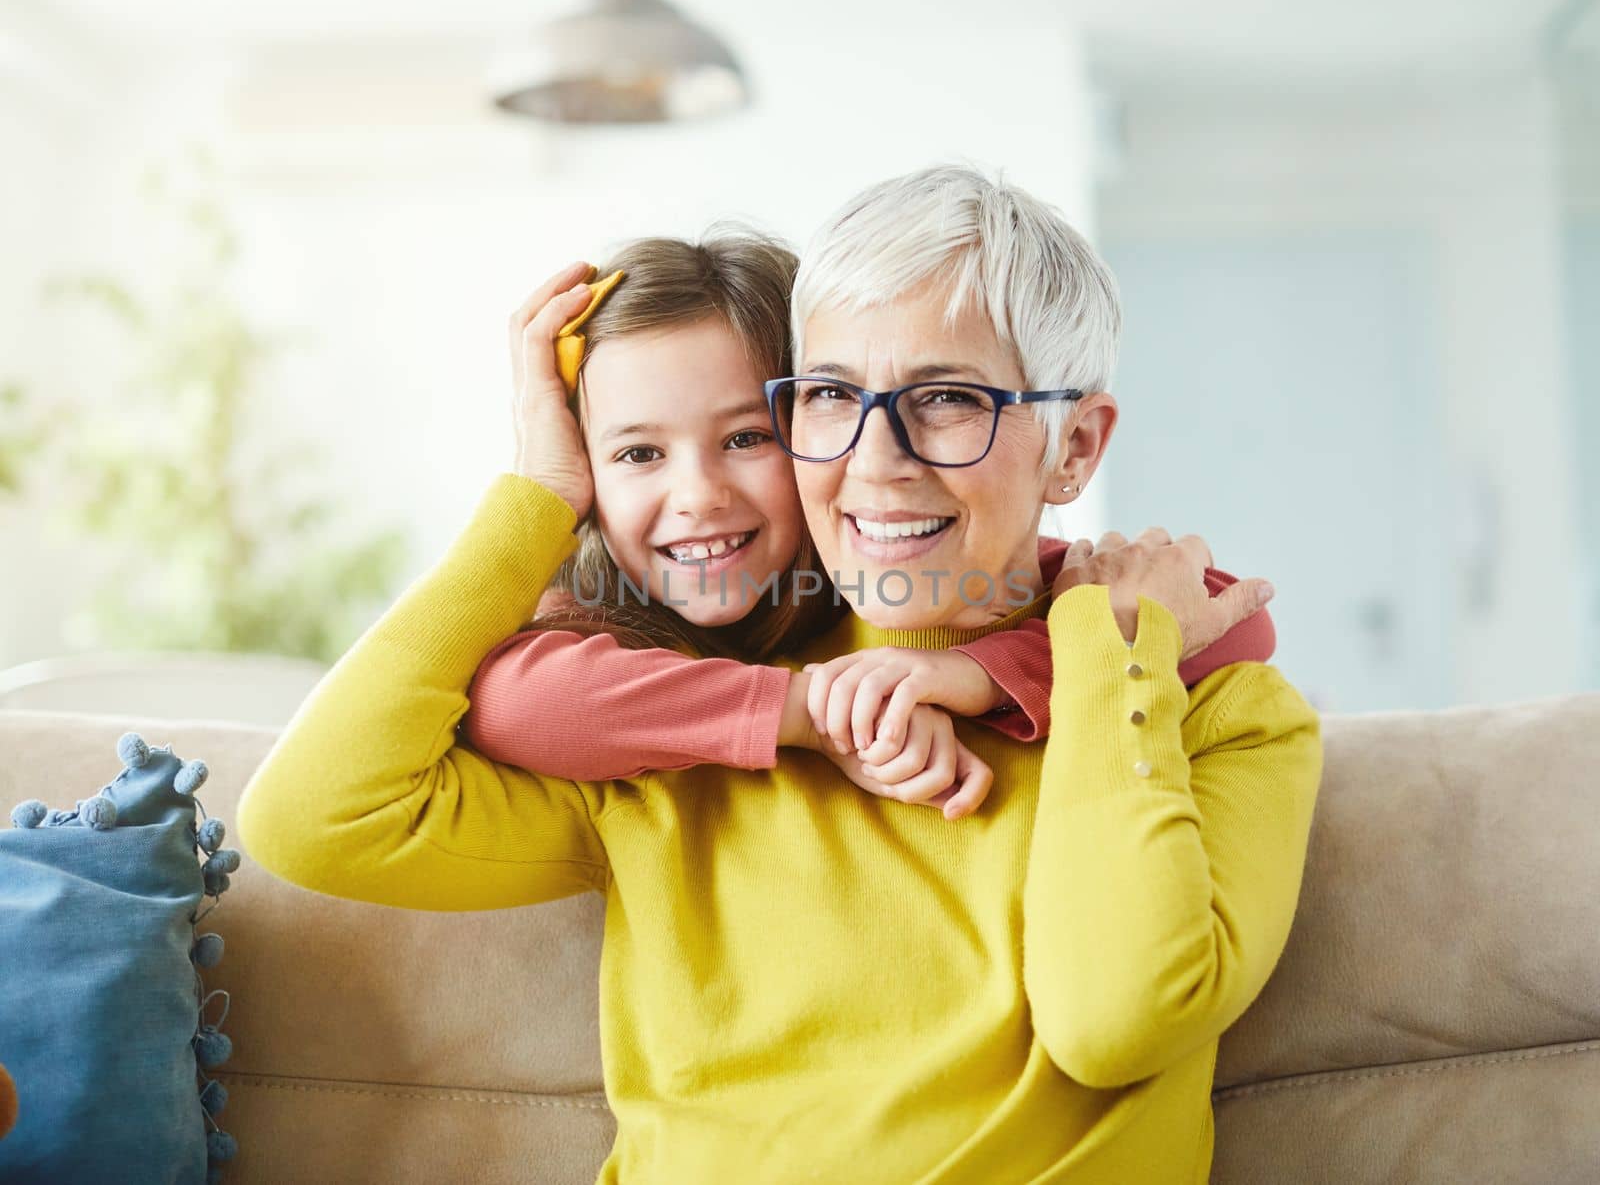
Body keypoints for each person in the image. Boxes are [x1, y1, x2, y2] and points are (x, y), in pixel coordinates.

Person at [238, 165, 1320, 1184]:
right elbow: (314, 818)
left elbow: (1116, 1014)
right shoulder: (684, 719)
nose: (877, 460)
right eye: (831, 398)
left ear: (1074, 448)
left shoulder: (1210, 712)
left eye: (945, 398)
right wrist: (538, 493)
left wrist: (1106, 651)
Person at [460, 236, 1275, 817]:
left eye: (746, 438)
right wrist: (818, 711)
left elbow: (1227, 612)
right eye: (637, 453)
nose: (699, 495)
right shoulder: (599, 622)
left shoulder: (893, 574)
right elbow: (513, 706)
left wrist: (982, 673)